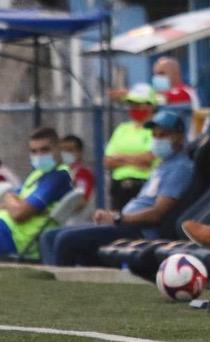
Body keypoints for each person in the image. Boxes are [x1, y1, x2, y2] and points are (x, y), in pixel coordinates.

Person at [43, 111, 193, 266]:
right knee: (49, 236)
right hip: (126, 224)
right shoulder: (163, 165)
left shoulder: (180, 168)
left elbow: (157, 213)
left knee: (66, 240)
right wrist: (114, 216)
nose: (156, 140)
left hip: (139, 231)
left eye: (163, 135)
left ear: (179, 137)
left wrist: (118, 218)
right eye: (154, 135)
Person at [0, 127, 73, 258]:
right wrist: (13, 200)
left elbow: (19, 213)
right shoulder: (38, 174)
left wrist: (7, 195)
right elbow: (12, 204)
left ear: (58, 148)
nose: (39, 156)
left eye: (45, 150)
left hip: (15, 238)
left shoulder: (58, 176)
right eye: (34, 151)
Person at [104, 83, 157, 210]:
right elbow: (108, 161)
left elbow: (149, 159)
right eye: (132, 104)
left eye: (139, 104)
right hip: (118, 187)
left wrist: (121, 158)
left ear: (150, 106)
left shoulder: (156, 130)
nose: (134, 108)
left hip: (144, 186)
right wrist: (136, 160)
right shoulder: (122, 129)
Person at [59, 134, 95, 204]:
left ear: (80, 152)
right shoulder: (62, 171)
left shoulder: (83, 173)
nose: (65, 153)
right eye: (63, 150)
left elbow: (82, 198)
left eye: (69, 150)